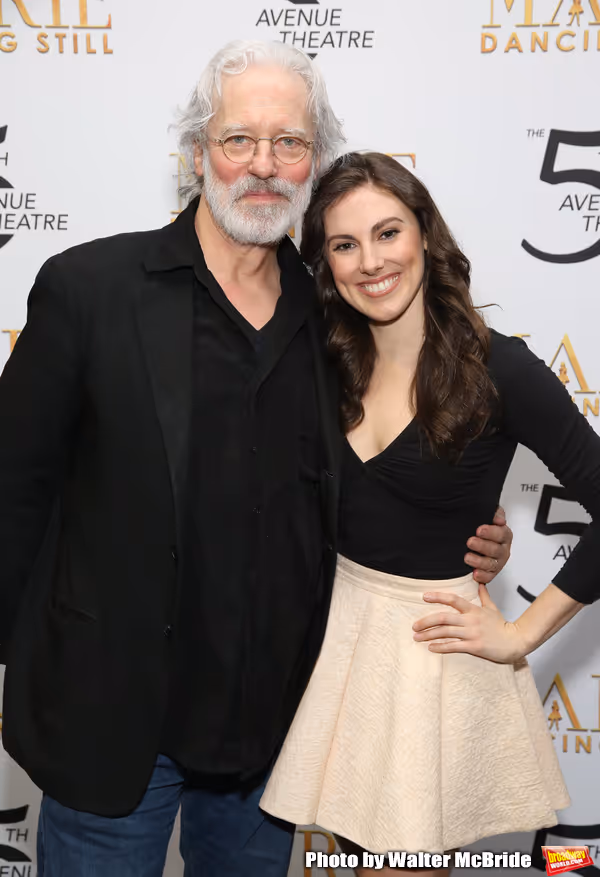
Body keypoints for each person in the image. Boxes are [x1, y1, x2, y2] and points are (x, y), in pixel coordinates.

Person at [0, 47, 511, 877]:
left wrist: (471, 535)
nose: (264, 166)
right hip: (114, 722)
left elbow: (384, 475)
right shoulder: (90, 289)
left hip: (278, 731)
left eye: (291, 143)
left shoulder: (341, 316)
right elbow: (12, 491)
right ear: (197, 152)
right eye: (239, 139)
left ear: (316, 161)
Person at [260, 152, 600, 876]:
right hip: (338, 639)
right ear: (325, 263)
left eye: (388, 233)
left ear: (424, 234)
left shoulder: (499, 367)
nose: (370, 261)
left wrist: (519, 636)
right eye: (345, 245)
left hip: (430, 657)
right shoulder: (326, 358)